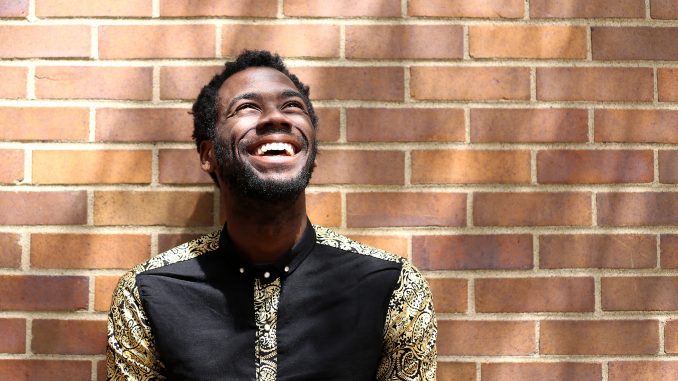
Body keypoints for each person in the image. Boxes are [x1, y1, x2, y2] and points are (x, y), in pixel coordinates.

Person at [107, 50, 437, 380]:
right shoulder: (147, 294)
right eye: (247, 108)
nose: (276, 119)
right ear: (209, 154)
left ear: (312, 149)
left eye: (292, 106)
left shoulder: (392, 287)